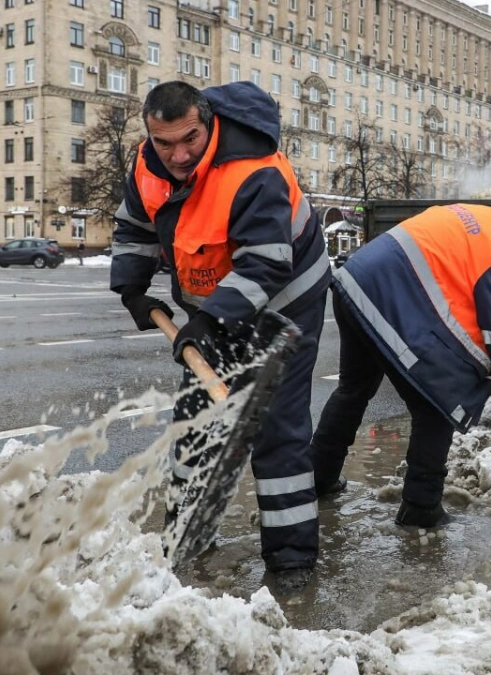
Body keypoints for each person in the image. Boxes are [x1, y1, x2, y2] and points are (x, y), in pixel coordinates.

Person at [110, 81, 331, 589]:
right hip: (211, 302)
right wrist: (132, 290)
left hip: (287, 295)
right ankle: (188, 534)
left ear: (207, 122)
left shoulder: (254, 172)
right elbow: (135, 229)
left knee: (274, 425)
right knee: (198, 417)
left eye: (189, 139)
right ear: (149, 134)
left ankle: (292, 561)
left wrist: (208, 322)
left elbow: (266, 264)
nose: (178, 155)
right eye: (164, 143)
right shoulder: (148, 166)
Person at [309, 200, 491, 529]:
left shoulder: (485, 217)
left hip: (354, 283)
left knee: (353, 389)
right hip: (387, 297)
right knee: (437, 405)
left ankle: (318, 477)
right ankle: (421, 507)